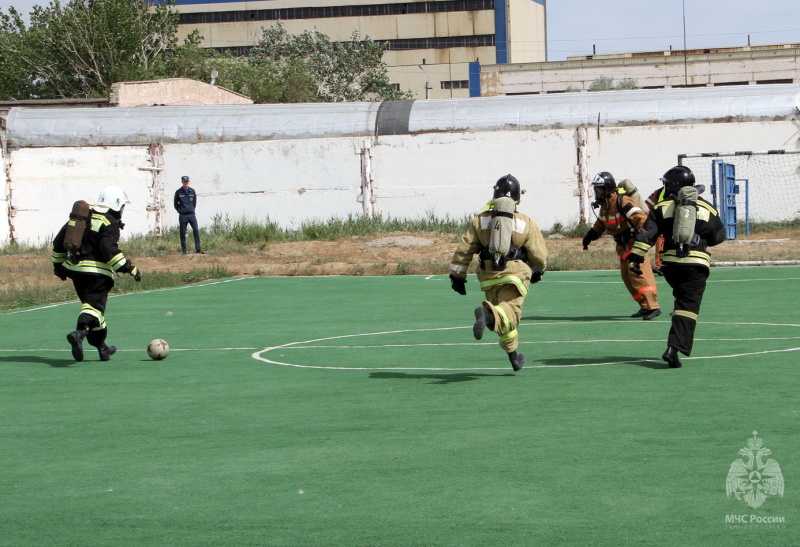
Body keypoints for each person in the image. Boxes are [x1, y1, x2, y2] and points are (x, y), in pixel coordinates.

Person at [629, 165, 726, 368]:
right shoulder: (708, 208)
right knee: (687, 307)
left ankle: (674, 345)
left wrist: (636, 258)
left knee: (681, 300)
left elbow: (647, 234)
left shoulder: (661, 207)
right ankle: (674, 348)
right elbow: (718, 237)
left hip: (670, 265)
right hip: (696, 265)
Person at [449, 174, 547, 371]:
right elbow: (539, 253)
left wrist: (457, 277)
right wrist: (538, 270)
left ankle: (513, 356)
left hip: (488, 278)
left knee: (503, 314)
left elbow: (464, 249)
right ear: (517, 197)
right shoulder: (525, 222)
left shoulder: (480, 221)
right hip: (514, 276)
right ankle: (485, 315)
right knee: (511, 312)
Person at [52, 186, 142, 362]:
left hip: (77, 273)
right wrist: (129, 268)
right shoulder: (109, 222)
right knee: (93, 309)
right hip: (97, 274)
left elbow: (59, 242)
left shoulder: (85, 217)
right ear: (116, 205)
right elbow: (109, 251)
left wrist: (58, 266)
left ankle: (102, 347)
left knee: (94, 311)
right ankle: (79, 334)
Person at [582, 171, 661, 320]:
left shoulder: (623, 201)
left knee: (640, 276)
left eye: (600, 189)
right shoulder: (605, 206)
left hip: (634, 244)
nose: (597, 193)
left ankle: (652, 306)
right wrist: (590, 236)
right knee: (628, 278)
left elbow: (640, 219)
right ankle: (644, 306)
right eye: (596, 189)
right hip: (622, 246)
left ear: (608, 188)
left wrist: (642, 243)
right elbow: (601, 224)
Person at [174, 175, 204, 254]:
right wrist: (180, 210)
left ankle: (198, 249)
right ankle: (184, 250)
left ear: (189, 182)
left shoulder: (192, 191)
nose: (185, 183)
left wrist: (192, 209)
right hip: (183, 215)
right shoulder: (178, 192)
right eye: (184, 181)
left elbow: (194, 202)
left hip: (191, 214)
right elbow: (175, 204)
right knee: (183, 233)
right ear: (182, 182)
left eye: (187, 181)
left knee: (196, 231)